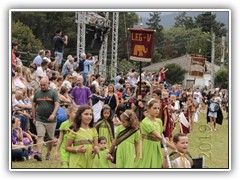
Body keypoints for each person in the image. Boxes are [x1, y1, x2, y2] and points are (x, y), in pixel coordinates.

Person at [138, 99, 175, 168]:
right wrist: (171, 146)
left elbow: (161, 136)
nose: (157, 110)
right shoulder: (145, 122)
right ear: (148, 109)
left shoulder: (159, 121)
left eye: (159, 108)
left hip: (156, 147)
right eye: (154, 108)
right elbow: (158, 136)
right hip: (147, 147)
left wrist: (165, 139)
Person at [32, 77, 60, 161]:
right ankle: (39, 153)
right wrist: (34, 117)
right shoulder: (37, 93)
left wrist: (53, 114)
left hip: (51, 120)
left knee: (50, 139)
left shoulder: (53, 93)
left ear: (48, 84)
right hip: (40, 118)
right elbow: (33, 105)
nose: (42, 86)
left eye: (44, 85)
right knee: (40, 135)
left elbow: (57, 104)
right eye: (41, 85)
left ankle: (48, 153)